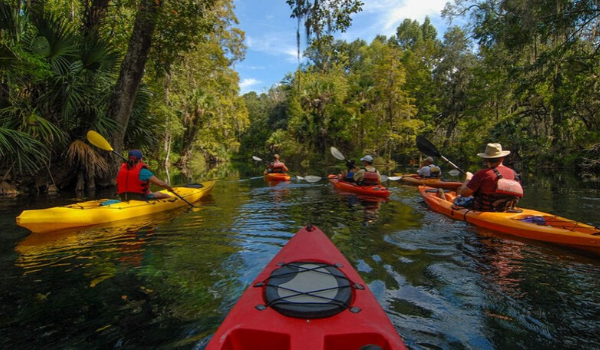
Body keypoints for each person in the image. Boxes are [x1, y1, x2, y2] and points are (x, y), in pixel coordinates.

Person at [456, 143, 523, 211]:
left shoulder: (482, 174)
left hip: (485, 210)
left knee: (458, 198)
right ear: (502, 158)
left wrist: (468, 178)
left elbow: (463, 193)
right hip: (507, 209)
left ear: (486, 160)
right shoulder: (513, 173)